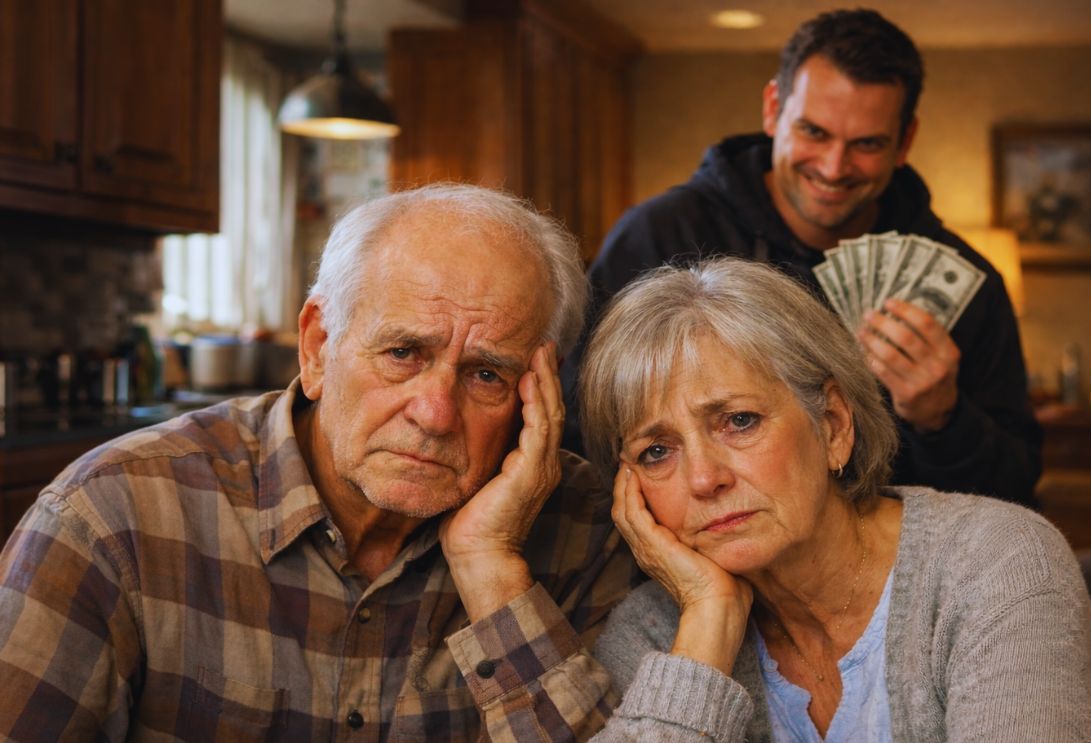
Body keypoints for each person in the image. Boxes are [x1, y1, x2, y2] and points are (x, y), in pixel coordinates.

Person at [0, 185, 637, 741]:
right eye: (402, 352)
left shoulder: (585, 529)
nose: (435, 413)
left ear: (538, 393)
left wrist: (492, 568)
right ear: (317, 348)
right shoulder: (111, 516)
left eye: (486, 374)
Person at [580, 258, 1091, 742]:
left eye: (738, 421)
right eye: (656, 451)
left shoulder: (995, 563)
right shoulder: (657, 634)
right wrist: (708, 621)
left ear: (833, 425)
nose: (704, 478)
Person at [561, 8, 1042, 506]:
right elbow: (580, 429)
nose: (834, 167)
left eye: (867, 144)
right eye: (814, 132)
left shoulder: (972, 283)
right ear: (773, 109)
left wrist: (943, 417)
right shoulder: (660, 235)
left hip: (890, 564)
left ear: (905, 142)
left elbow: (1014, 487)